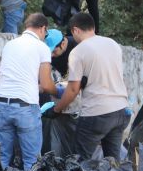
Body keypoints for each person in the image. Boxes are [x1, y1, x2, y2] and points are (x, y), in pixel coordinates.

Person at [51, 13, 130, 160]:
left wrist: (57, 109)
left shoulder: (78, 52)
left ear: (75, 30)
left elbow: (73, 90)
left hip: (97, 113)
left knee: (80, 163)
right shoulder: (112, 44)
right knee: (112, 162)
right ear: (93, 27)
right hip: (120, 111)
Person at [0, 13, 58, 170]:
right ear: (43, 28)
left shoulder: (10, 45)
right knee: (31, 160)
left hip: (2, 104)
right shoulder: (42, 47)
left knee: (3, 158)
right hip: (25, 108)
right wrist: (59, 90)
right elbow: (47, 84)